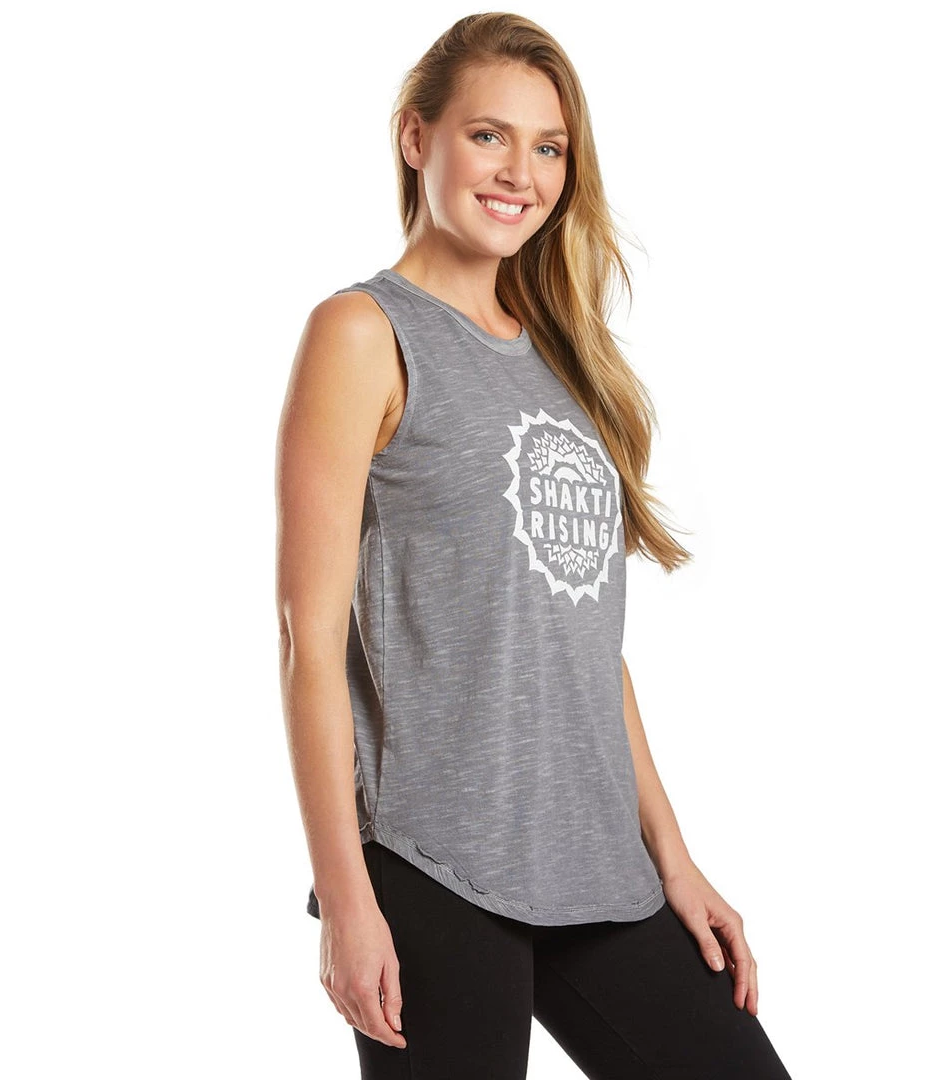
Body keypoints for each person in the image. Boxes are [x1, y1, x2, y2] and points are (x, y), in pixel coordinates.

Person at [275, 12, 794, 1079]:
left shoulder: (565, 364)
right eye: (488, 136)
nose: (521, 173)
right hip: (433, 862)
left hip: (595, 860)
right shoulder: (364, 333)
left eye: (548, 147)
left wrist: (673, 859)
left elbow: (586, 644)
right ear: (415, 137)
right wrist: (347, 897)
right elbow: (307, 639)